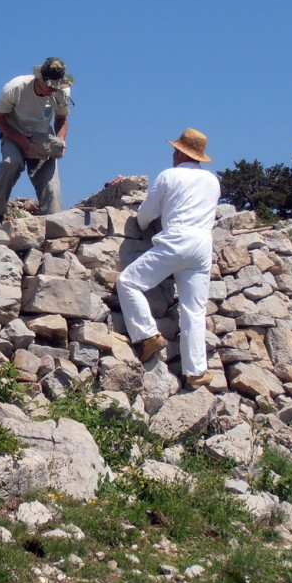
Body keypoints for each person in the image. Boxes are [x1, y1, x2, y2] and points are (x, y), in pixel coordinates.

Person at [115, 128, 220, 388]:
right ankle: (195, 372)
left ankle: (148, 335)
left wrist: (139, 223)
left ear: (180, 152)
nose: (173, 154)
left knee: (128, 282)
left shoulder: (169, 176)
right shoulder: (213, 181)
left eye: (175, 150)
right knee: (194, 310)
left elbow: (147, 213)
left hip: (177, 240)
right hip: (203, 246)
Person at [0, 57, 73, 223]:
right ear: (39, 79)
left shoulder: (62, 93)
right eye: (50, 86)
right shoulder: (15, 88)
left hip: (43, 139)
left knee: (51, 188)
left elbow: (61, 119)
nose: (53, 90)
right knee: (10, 163)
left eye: (56, 86)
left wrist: (60, 141)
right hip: (14, 133)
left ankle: (51, 228)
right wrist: (19, 139)